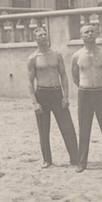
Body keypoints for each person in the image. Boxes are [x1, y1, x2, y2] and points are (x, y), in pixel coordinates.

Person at [71, 23, 102, 172]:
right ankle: (82, 163)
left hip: (101, 93)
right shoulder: (77, 56)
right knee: (84, 128)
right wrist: (86, 87)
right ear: (81, 36)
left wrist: (98, 86)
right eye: (86, 32)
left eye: (92, 31)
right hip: (85, 94)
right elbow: (75, 77)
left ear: (97, 34)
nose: (90, 34)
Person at [27, 26, 78, 168]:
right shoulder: (33, 58)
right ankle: (47, 159)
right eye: (40, 35)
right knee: (43, 129)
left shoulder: (56, 55)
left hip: (56, 92)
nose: (43, 37)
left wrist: (65, 96)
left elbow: (63, 76)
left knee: (67, 126)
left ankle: (75, 158)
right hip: (42, 93)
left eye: (45, 34)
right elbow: (30, 82)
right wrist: (34, 102)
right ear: (35, 39)